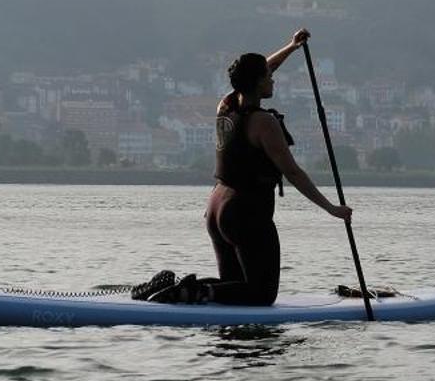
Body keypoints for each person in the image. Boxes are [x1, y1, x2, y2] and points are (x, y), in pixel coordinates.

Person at [134, 28, 351, 304]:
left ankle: (181, 289)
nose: (273, 79)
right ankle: (195, 291)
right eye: (268, 77)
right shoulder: (263, 123)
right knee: (262, 294)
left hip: (216, 208)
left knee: (234, 286)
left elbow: (261, 68)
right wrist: (331, 208)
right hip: (245, 213)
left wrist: (292, 47)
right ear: (258, 83)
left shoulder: (224, 106)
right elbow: (292, 172)